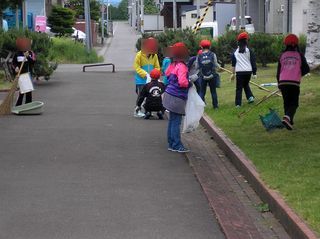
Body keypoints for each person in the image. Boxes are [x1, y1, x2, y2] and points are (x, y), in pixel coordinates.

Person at [276, 34, 310, 130]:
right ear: (296, 44)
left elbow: (278, 72)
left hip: (282, 82)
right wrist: (299, 73)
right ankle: (287, 118)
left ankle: (289, 121)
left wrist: (279, 83)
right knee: (294, 103)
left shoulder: (282, 55)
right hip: (294, 82)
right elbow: (306, 69)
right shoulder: (299, 55)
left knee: (287, 102)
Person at [163, 42, 191, 153]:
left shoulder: (172, 64)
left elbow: (167, 74)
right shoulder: (182, 66)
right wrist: (190, 82)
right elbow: (183, 82)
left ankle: (171, 143)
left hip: (169, 95)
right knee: (176, 122)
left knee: (172, 121)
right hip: (177, 97)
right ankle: (177, 145)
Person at [133, 37, 160, 117]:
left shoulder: (154, 55)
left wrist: (155, 74)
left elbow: (157, 66)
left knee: (149, 96)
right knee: (141, 96)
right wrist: (145, 74)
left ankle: (147, 111)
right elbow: (137, 67)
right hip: (141, 80)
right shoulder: (139, 55)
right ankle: (137, 111)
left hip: (151, 80)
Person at [231, 32, 257, 107]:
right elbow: (253, 62)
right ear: (246, 41)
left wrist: (233, 74)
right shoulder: (249, 50)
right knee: (245, 84)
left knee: (239, 88)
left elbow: (233, 64)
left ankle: (238, 104)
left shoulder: (235, 52)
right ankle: (250, 97)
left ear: (238, 42)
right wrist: (254, 73)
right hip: (248, 72)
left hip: (239, 73)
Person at [12, 38, 36, 106]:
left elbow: (33, 62)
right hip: (20, 75)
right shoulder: (17, 54)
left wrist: (28, 56)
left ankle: (28, 105)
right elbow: (13, 63)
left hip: (28, 74)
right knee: (21, 91)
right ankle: (18, 106)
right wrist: (15, 67)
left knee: (28, 91)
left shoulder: (31, 53)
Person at [198, 40, 220, 109]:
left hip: (203, 76)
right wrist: (219, 66)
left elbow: (197, 66)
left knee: (202, 92)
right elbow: (216, 64)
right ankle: (215, 106)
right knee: (213, 91)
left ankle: (201, 107)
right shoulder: (213, 54)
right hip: (212, 76)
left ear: (201, 47)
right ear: (209, 46)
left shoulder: (199, 55)